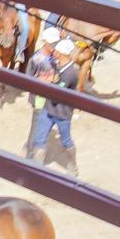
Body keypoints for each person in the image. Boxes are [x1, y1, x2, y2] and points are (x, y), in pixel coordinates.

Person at [23, 38, 80, 177]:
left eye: (57, 50)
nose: (54, 52)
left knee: (66, 141)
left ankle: (73, 166)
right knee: (39, 139)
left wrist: (46, 83)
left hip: (62, 113)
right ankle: (36, 169)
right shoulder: (56, 64)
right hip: (48, 108)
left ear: (62, 53)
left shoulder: (71, 73)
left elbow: (56, 95)